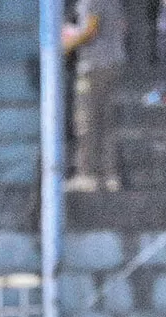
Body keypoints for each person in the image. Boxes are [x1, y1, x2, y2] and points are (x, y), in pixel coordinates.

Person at [62, 0, 125, 192]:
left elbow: (90, 30)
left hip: (95, 65)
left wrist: (65, 45)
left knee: (87, 122)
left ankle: (87, 175)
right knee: (106, 123)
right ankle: (109, 175)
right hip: (111, 62)